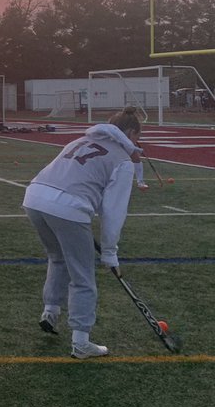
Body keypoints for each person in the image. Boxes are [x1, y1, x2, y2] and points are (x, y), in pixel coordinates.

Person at [22, 106, 143, 359]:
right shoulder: (122, 160)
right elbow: (113, 211)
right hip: (67, 207)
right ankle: (81, 342)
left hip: (34, 198)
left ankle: (50, 313)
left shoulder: (82, 139)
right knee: (83, 274)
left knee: (58, 259)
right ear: (131, 133)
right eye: (138, 138)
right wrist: (110, 251)